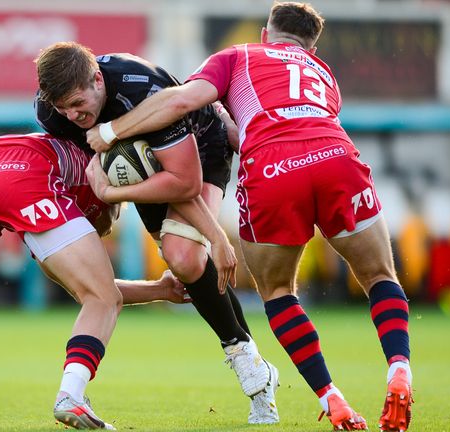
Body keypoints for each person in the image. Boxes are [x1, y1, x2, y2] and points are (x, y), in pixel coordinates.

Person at [84, 2, 415, 431]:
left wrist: (110, 132)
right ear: (312, 46)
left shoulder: (238, 55)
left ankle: (332, 398)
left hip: (274, 168)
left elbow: (184, 99)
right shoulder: (322, 73)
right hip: (336, 155)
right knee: (380, 276)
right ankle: (399, 368)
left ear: (265, 33)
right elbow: (295, 123)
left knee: (277, 291)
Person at [36, 42, 279, 424]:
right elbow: (95, 161)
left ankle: (245, 360)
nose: (72, 114)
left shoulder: (142, 90)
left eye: (77, 102)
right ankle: (256, 366)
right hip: (141, 162)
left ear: (98, 79)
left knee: (185, 257)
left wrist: (113, 193)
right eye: (62, 107)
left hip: (200, 148)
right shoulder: (54, 109)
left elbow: (183, 183)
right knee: (184, 260)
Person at [0, 132, 189, 428]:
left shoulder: (63, 176)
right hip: (27, 173)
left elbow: (85, 289)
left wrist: (161, 289)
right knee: (103, 299)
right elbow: (101, 295)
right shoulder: (89, 191)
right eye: (114, 215)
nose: (108, 229)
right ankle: (71, 395)